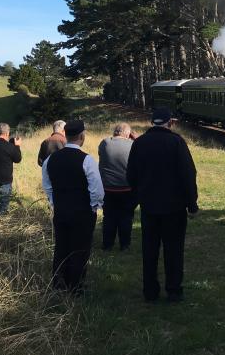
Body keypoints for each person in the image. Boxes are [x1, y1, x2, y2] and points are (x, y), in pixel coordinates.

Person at [127, 108, 198, 303]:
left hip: (149, 207)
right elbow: (188, 175)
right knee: (174, 250)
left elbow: (131, 175)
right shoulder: (177, 142)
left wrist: (137, 198)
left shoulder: (139, 143)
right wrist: (192, 205)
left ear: (152, 122)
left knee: (149, 250)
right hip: (174, 208)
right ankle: (174, 291)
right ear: (170, 123)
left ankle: (150, 291)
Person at [42, 120, 104, 295]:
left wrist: (55, 202)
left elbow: (47, 186)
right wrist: (94, 206)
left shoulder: (50, 160)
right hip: (83, 211)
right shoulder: (87, 160)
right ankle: (75, 287)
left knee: (61, 246)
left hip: (61, 210)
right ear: (82, 136)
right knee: (80, 248)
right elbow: (97, 188)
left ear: (66, 136)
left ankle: (59, 284)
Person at [98, 122, 136, 251]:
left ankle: (107, 244)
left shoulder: (105, 143)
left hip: (107, 188)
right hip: (127, 188)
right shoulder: (132, 145)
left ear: (115, 131)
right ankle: (124, 245)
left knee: (109, 216)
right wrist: (134, 137)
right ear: (127, 133)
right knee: (126, 217)